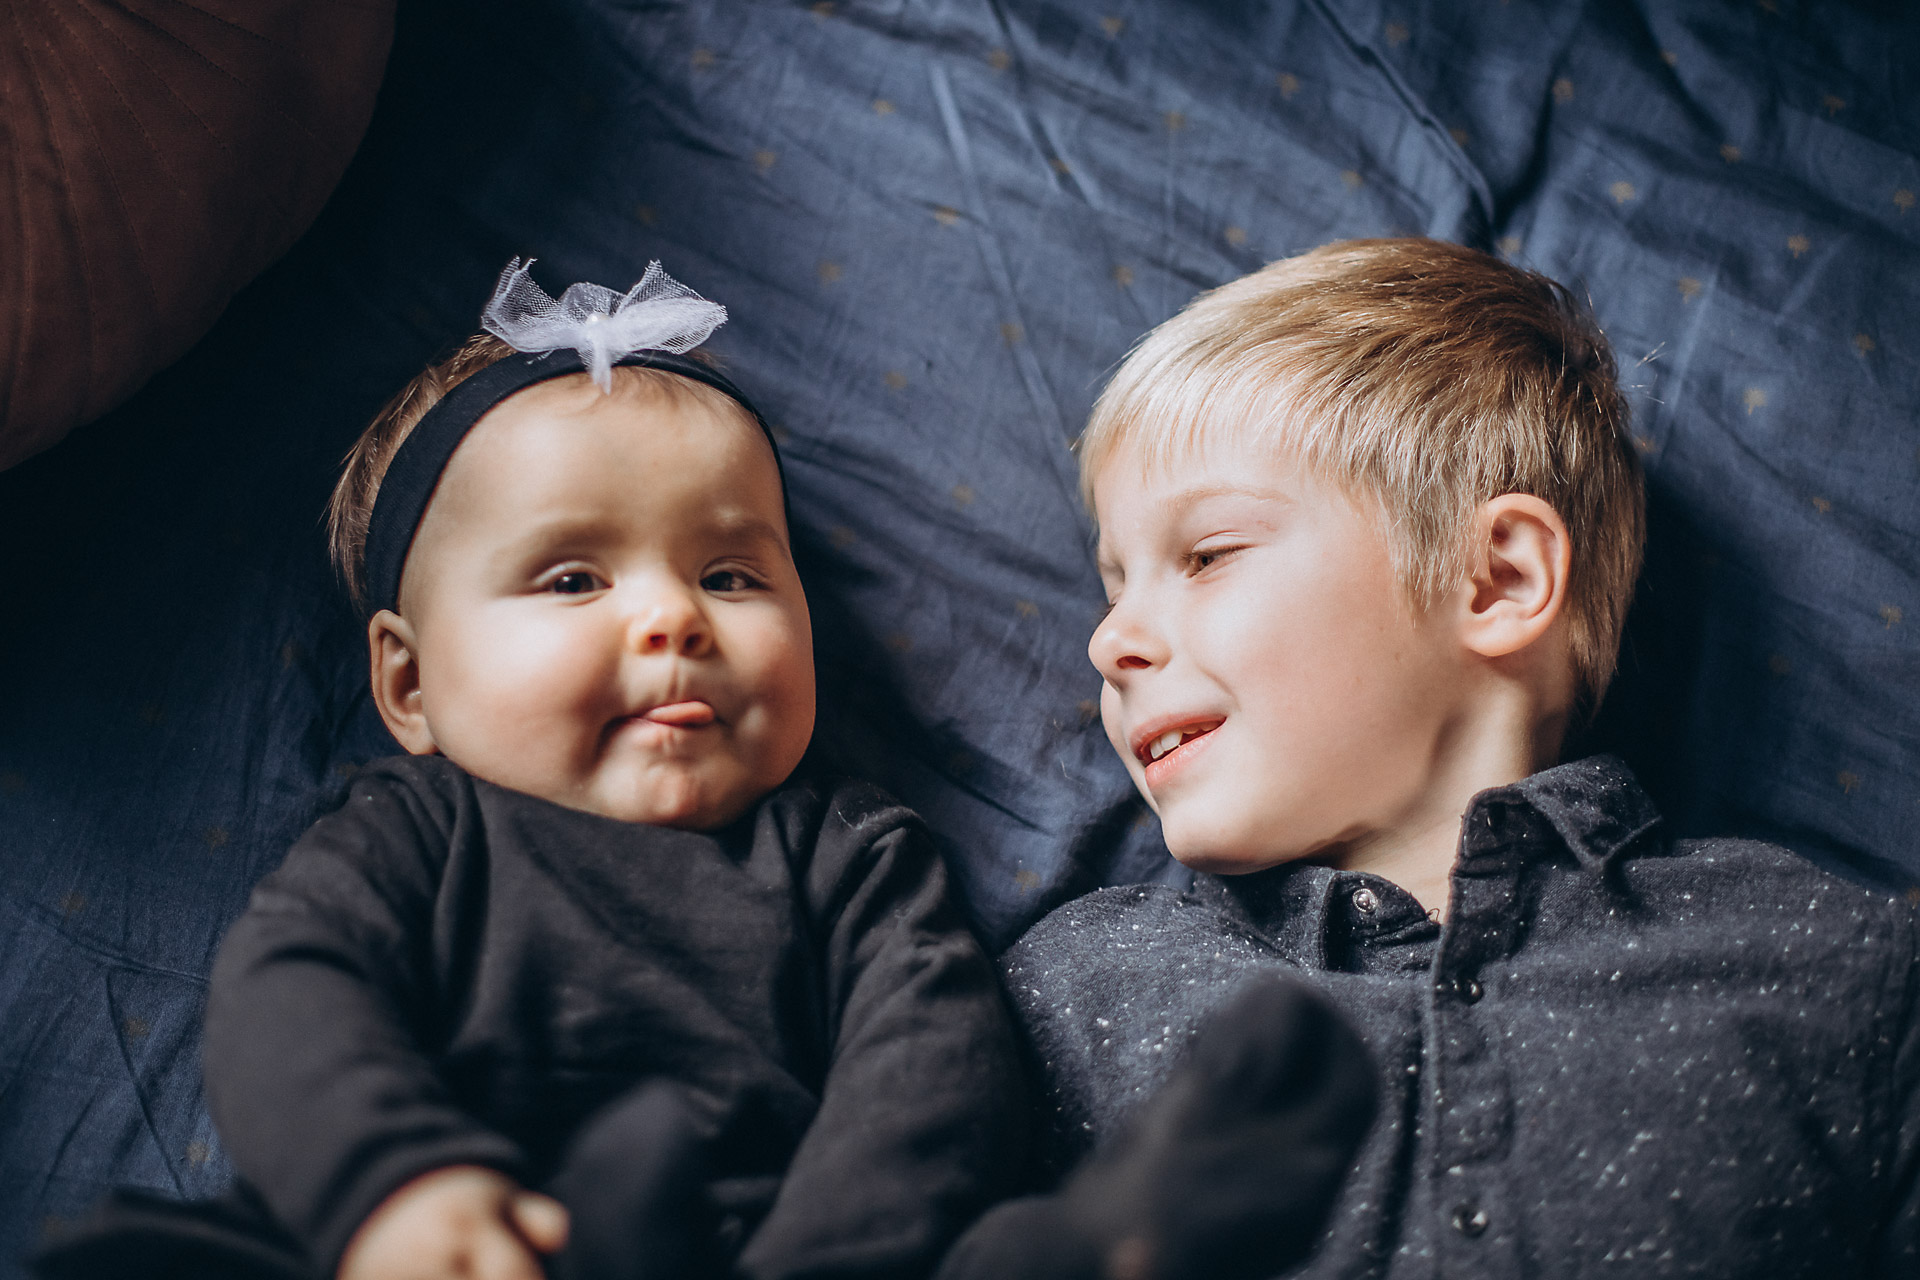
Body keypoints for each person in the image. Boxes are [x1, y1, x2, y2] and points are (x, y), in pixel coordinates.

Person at [942, 238, 1920, 1279]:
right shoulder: (1071, 988)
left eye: (1208, 554)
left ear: (1498, 579)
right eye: (1113, 588)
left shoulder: (1835, 970)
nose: (1109, 642)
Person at [37, 261, 1027, 1280]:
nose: (674, 616)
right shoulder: (414, 834)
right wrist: (393, 1183)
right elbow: (289, 995)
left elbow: (935, 1074)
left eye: (729, 576)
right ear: (410, 685)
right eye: (573, 578)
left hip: (737, 1237)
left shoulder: (851, 854)